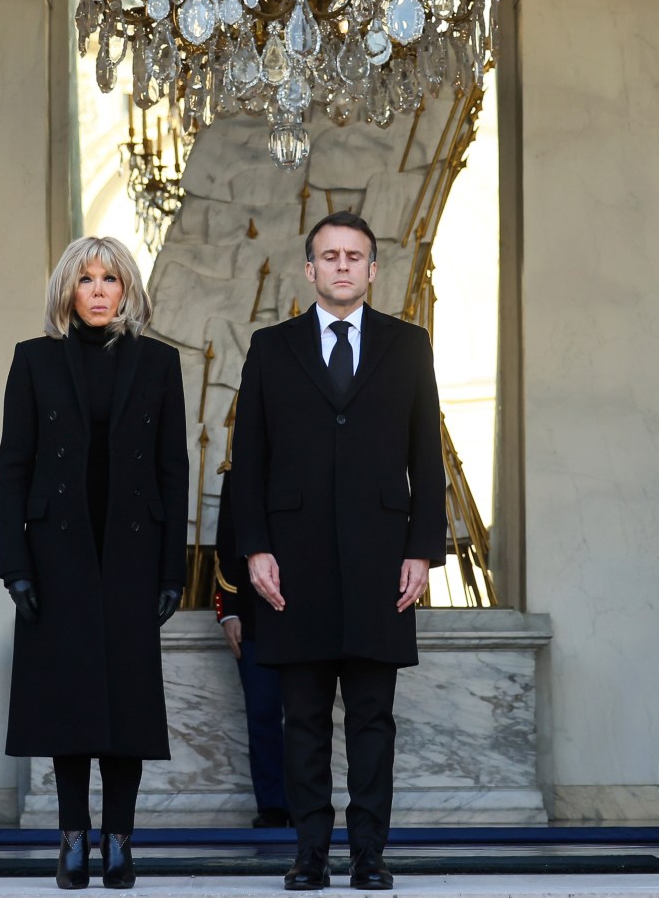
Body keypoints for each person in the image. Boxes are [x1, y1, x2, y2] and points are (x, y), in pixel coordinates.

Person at [230, 212, 448, 892]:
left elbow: (425, 456)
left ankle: (369, 855)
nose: (344, 265)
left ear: (373, 269)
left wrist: (423, 549)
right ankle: (310, 855)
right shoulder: (271, 348)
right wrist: (255, 551)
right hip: (294, 565)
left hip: (384, 560)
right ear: (310, 269)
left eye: (355, 256)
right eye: (331, 256)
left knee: (373, 719)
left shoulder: (409, 346)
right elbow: (248, 462)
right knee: (302, 720)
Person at [0, 236, 190, 890]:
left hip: (134, 552)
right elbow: (13, 467)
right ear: (68, 291)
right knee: (70, 700)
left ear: (127, 288)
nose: (100, 290)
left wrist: (174, 571)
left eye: (110, 278)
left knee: (127, 705)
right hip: (58, 555)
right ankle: (73, 838)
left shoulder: (160, 364)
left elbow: (174, 470)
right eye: (87, 280)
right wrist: (14, 562)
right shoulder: (34, 361)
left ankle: (121, 840)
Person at [211, 466, 292, 830]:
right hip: (254, 614)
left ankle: (307, 803)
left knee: (308, 718)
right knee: (262, 714)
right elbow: (227, 544)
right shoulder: (239, 472)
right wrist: (228, 611)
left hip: (308, 614)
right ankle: (273, 806)